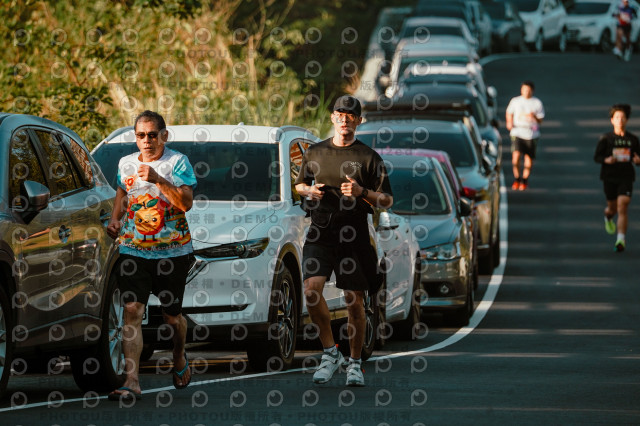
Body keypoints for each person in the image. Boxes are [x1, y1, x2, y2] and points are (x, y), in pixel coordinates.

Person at [294, 95, 393, 387]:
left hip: (354, 234)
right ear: (332, 118)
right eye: (340, 113)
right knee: (311, 291)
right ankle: (330, 352)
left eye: (351, 115)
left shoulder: (369, 157)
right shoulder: (315, 152)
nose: (345, 119)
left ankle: (354, 363)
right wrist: (309, 191)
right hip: (321, 231)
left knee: (354, 301)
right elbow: (300, 185)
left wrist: (362, 192)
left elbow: (387, 200)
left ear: (359, 121)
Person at [106, 110, 197, 402]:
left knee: (172, 317)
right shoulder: (126, 163)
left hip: (172, 251)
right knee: (132, 309)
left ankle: (179, 355)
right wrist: (115, 219)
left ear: (164, 136)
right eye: (141, 135)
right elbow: (122, 193)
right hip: (133, 248)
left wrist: (158, 179)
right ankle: (132, 380)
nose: (147, 141)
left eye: (152, 135)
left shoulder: (177, 162)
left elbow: (186, 203)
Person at [594, 104, 640, 252]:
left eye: (623, 117)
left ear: (627, 120)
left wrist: (638, 161)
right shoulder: (606, 139)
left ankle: (620, 239)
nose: (620, 120)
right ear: (612, 120)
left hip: (626, 177)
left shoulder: (633, 140)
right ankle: (608, 216)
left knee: (623, 205)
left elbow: (637, 157)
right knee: (612, 208)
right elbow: (597, 157)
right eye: (617, 117)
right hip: (609, 177)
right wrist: (606, 160)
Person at [505, 80, 545, 191]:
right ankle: (517, 178)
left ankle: (525, 180)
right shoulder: (515, 101)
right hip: (517, 131)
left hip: (531, 133)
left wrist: (534, 116)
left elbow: (540, 120)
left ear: (532, 91)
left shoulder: (537, 103)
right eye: (524, 89)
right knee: (516, 155)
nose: (526, 92)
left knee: (529, 157)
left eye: (528, 90)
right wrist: (509, 122)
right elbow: (509, 112)